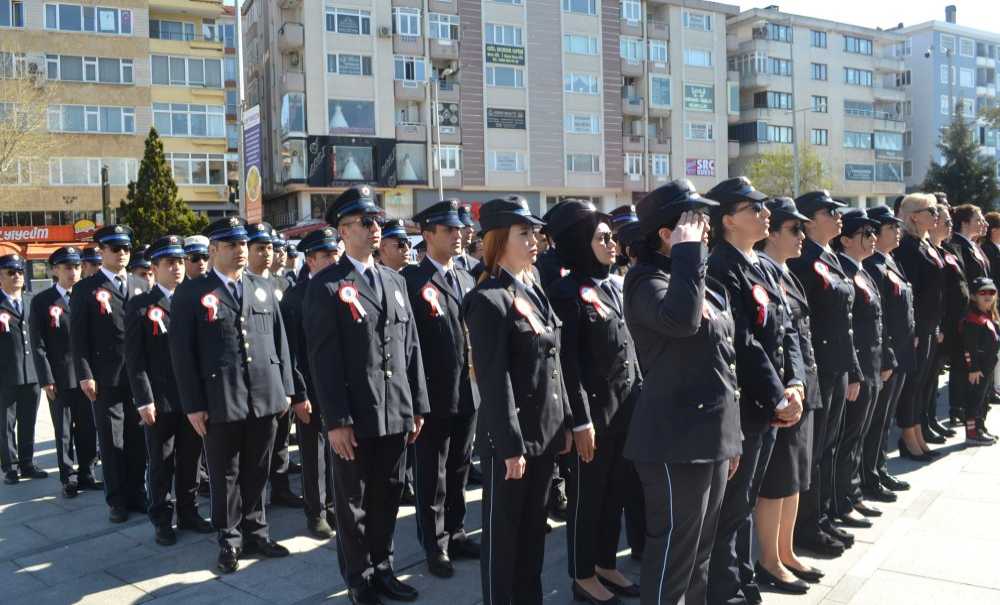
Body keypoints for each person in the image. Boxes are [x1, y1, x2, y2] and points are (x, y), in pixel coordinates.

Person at [303, 185, 430, 605]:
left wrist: (417, 406)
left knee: (389, 496)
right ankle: (358, 579)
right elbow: (324, 362)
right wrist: (335, 421)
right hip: (355, 418)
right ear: (343, 230)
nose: (376, 227)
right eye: (365, 222)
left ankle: (384, 567)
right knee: (353, 505)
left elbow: (410, 348)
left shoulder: (394, 280)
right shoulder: (326, 286)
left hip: (395, 412)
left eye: (377, 220)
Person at [621, 179, 741, 604]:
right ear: (667, 234)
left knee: (700, 552)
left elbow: (724, 358)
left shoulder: (695, 277)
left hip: (710, 436)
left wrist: (731, 436)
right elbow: (682, 322)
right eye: (694, 221)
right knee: (675, 553)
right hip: (672, 442)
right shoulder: (643, 281)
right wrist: (689, 253)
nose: (705, 229)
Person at [463, 196, 573, 605]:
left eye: (535, 233)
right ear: (498, 241)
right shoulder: (489, 299)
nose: (534, 240)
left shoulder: (533, 290)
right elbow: (495, 381)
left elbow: (553, 364)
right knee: (504, 540)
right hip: (512, 444)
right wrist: (511, 446)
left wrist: (562, 423)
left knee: (532, 536)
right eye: (523, 233)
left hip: (543, 435)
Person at [170, 216, 295, 573]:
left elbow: (279, 340)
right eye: (232, 245)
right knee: (225, 474)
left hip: (264, 394)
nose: (241, 251)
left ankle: (257, 531)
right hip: (220, 398)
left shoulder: (262, 286)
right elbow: (182, 354)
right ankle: (230, 539)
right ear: (213, 250)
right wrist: (193, 405)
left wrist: (285, 387)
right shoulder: (192, 292)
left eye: (243, 244)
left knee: (259, 468)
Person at [705, 177, 805, 602]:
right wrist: (779, 395)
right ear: (728, 220)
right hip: (745, 403)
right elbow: (741, 343)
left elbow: (787, 329)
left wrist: (796, 381)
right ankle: (724, 588)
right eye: (754, 208)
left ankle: (744, 577)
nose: (766, 214)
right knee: (730, 507)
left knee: (745, 500)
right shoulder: (720, 268)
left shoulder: (761, 264)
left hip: (772, 400)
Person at [546, 200, 642, 603]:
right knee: (586, 499)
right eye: (602, 238)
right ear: (580, 243)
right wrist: (580, 421)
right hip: (593, 418)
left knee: (613, 495)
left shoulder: (612, 285)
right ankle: (582, 574)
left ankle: (605, 564)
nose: (613, 245)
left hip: (624, 413)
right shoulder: (566, 293)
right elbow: (569, 364)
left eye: (612, 238)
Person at [403, 200, 481, 579]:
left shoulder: (465, 278)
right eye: (449, 230)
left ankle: (457, 531)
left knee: (460, 467)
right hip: (432, 394)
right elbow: (409, 346)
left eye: (459, 230)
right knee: (432, 473)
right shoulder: (412, 281)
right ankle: (434, 544)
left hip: (467, 391)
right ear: (427, 234)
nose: (458, 236)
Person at [124, 236, 214, 546]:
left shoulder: (196, 299)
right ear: (154, 268)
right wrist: (144, 398)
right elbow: (134, 360)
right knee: (162, 461)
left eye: (180, 261)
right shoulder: (140, 305)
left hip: (192, 398)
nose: (177, 267)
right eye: (169, 263)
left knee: (191, 459)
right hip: (160, 400)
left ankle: (189, 512)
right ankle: (162, 517)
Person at [757, 198, 826, 587]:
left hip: (803, 383)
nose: (802, 236)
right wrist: (786, 389)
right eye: (794, 230)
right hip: (782, 391)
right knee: (778, 478)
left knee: (797, 474)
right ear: (772, 233)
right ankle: (769, 559)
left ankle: (786, 552)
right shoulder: (765, 271)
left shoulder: (788, 272)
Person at [787, 192, 860, 556]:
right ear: (809, 220)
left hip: (837, 366)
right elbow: (805, 321)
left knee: (829, 446)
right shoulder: (804, 259)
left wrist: (853, 368)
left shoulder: (829, 256)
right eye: (830, 211)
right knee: (814, 452)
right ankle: (807, 525)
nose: (838, 216)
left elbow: (845, 320)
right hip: (818, 367)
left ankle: (824, 514)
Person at [70, 225, 150, 522]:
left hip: (138, 376)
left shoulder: (140, 285)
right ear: (101, 251)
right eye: (115, 249)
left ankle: (137, 493)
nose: (122, 254)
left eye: (126, 249)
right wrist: (85, 374)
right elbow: (78, 339)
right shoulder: (85, 289)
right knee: (112, 439)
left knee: (137, 437)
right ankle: (117, 499)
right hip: (105, 377)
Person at [279, 228, 340, 539]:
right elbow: (291, 352)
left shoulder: (344, 289)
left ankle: (334, 504)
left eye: (335, 254)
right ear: (311, 260)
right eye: (326, 256)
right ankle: (315, 512)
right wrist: (299, 394)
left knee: (339, 449)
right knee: (313, 452)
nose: (333, 260)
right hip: (311, 389)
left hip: (339, 386)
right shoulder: (295, 297)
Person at [831, 209, 886, 529]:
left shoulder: (862, 270)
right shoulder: (845, 272)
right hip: (857, 367)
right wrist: (854, 372)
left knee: (859, 434)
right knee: (847, 437)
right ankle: (842, 499)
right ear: (847, 240)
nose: (873, 239)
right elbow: (846, 327)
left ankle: (852, 493)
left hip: (872, 364)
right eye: (866, 234)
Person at [29, 246, 99, 497]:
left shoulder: (89, 296)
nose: (73, 272)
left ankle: (87, 473)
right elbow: (37, 345)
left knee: (89, 427)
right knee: (64, 429)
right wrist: (46, 379)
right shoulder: (42, 301)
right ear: (55, 270)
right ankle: (68, 477)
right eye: (68, 267)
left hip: (87, 376)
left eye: (77, 266)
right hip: (60, 377)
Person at [246, 222, 302, 508]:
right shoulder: (242, 285)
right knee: (256, 446)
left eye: (270, 248)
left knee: (281, 438)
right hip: (257, 378)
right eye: (260, 248)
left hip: (285, 369)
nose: (267, 254)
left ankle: (280, 487)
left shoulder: (283, 284)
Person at [861, 206, 914, 499]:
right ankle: (869, 475)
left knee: (885, 418)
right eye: (891, 227)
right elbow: (879, 316)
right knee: (876, 419)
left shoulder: (889, 260)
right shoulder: (872, 265)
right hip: (887, 353)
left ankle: (877, 469)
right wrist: (887, 353)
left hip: (900, 351)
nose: (898, 231)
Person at [893, 193, 944, 461]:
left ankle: (917, 434)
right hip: (917, 325)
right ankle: (908, 438)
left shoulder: (925, 245)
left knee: (921, 382)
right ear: (914, 216)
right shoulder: (907, 248)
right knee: (912, 384)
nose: (936, 215)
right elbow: (909, 292)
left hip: (929, 323)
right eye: (930, 210)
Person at [0, 253, 45, 486]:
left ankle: (27, 462)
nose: (17, 275)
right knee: (5, 424)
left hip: (31, 373)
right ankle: (10, 467)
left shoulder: (31, 300)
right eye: (10, 272)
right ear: (0, 277)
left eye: (19, 271)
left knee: (29, 420)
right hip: (5, 374)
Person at [948, 205, 992, 427]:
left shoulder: (973, 245)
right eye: (978, 218)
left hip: (983, 311)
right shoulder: (957, 245)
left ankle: (976, 410)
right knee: (964, 363)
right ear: (964, 222)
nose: (983, 222)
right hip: (969, 313)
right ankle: (960, 408)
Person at [959, 277, 1000, 445]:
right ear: (974, 296)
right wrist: (973, 368)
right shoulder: (972, 319)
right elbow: (969, 347)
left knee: (983, 400)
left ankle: (980, 427)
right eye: (983, 292)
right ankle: (972, 432)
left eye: (991, 292)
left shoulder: (988, 314)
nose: (988, 296)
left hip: (988, 366)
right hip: (978, 369)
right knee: (974, 401)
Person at [454, 204, 481, 273]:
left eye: (471, 226)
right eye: (464, 227)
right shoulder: (443, 264)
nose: (471, 230)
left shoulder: (477, 265)